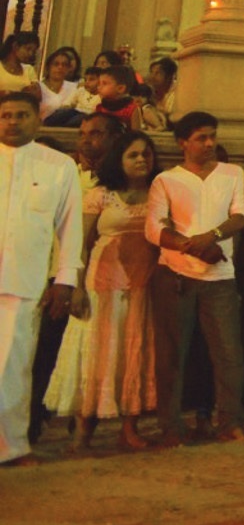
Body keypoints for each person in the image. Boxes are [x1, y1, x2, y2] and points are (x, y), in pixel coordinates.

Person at [146, 110, 244, 446]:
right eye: (201, 138)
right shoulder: (166, 180)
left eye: (212, 136)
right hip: (176, 275)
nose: (209, 143)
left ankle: (229, 422)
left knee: (228, 354)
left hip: (220, 277)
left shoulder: (232, 173)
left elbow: (241, 215)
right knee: (172, 354)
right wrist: (194, 247)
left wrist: (212, 236)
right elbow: (154, 227)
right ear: (182, 143)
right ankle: (171, 427)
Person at [54, 130, 160, 450]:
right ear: (119, 159)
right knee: (96, 355)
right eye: (133, 155)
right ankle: (84, 430)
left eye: (146, 154)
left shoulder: (161, 193)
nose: (142, 159)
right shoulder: (100, 195)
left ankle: (129, 429)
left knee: (135, 355)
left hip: (145, 287)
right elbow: (78, 245)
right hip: (100, 286)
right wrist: (74, 287)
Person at [0, 88, 82, 465]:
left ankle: (12, 447)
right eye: (6, 115)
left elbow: (69, 228)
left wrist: (65, 279)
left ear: (37, 119)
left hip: (23, 279)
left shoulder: (58, 166)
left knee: (13, 366)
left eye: (21, 115)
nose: (12, 121)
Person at [27, 110, 116, 442]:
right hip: (59, 279)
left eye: (95, 134)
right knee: (44, 354)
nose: (86, 139)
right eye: (82, 133)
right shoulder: (62, 175)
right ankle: (31, 425)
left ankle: (80, 427)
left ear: (113, 138)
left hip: (105, 281)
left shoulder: (117, 183)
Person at [30, 48, 80, 120]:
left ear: (69, 68)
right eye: (56, 64)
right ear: (48, 67)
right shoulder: (37, 87)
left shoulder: (75, 87)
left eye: (64, 65)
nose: (60, 67)